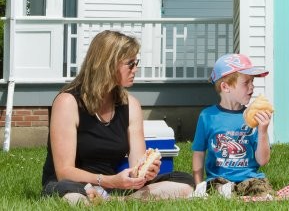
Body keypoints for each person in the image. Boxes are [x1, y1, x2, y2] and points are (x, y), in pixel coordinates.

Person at [41, 30, 195, 204]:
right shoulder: (68, 102)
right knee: (74, 197)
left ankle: (117, 200)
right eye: (130, 64)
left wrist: (145, 172)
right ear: (108, 64)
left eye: (136, 62)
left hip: (112, 185)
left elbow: (137, 163)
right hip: (72, 185)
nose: (135, 69)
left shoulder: (130, 105)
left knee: (184, 181)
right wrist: (109, 181)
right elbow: (64, 171)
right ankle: (114, 199)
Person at [191, 53, 273, 197]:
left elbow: (263, 160)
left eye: (252, 81)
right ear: (226, 86)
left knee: (262, 189)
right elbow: (198, 153)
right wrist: (198, 184)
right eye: (246, 83)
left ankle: (234, 193)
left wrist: (263, 131)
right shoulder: (207, 116)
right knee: (213, 188)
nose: (252, 87)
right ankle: (228, 192)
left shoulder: (253, 117)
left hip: (249, 179)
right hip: (219, 180)